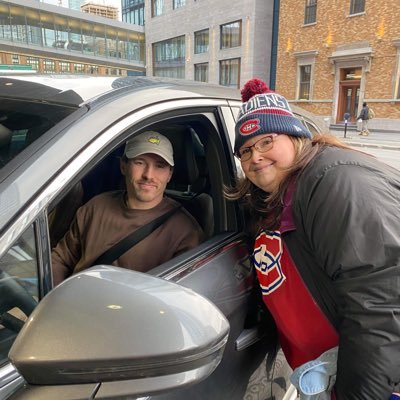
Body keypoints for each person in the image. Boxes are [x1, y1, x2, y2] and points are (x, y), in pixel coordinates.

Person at [226, 78, 400, 399]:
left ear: (296, 138)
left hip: (374, 377)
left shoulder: (336, 184)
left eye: (267, 141)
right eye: (246, 150)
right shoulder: (276, 196)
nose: (255, 157)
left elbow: (379, 308)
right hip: (323, 372)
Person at [52, 131, 203, 286]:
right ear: (123, 166)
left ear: (169, 174)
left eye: (160, 166)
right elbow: (60, 259)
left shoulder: (185, 231)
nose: (148, 175)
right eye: (140, 162)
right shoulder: (95, 207)